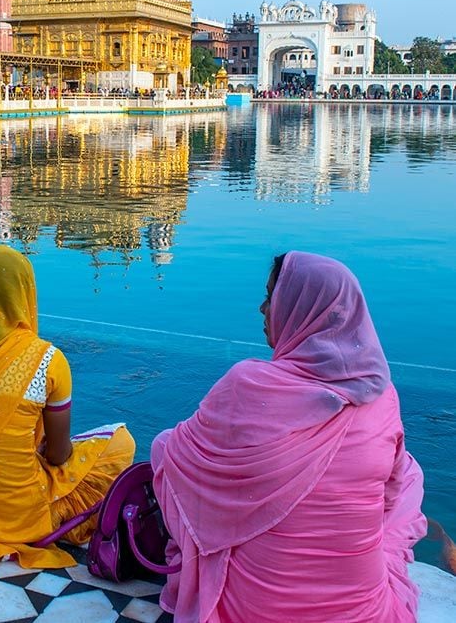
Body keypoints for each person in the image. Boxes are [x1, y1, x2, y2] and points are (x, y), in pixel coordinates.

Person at [151, 251, 426, 623]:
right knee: (408, 472)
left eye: (272, 297)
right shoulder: (382, 397)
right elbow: (388, 501)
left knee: (167, 448)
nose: (263, 309)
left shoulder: (248, 387)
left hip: (253, 609)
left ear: (302, 309)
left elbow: (180, 463)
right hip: (360, 613)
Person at [0, 244, 135, 596]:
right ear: (26, 295)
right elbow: (59, 456)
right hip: (18, 518)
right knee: (121, 442)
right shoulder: (48, 359)